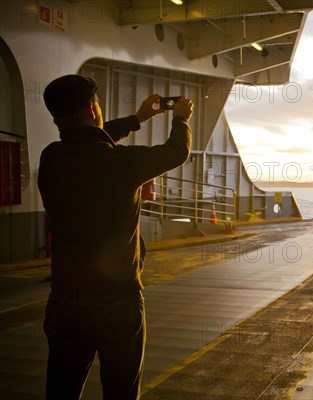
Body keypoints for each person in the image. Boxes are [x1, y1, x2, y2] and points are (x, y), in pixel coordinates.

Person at [38, 74, 193, 399]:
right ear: (95, 109)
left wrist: (138, 119)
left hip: (64, 302)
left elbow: (85, 141)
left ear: (56, 118)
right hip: (117, 304)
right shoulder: (120, 163)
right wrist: (180, 119)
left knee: (60, 393)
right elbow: (176, 151)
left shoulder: (51, 158)